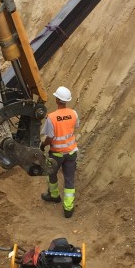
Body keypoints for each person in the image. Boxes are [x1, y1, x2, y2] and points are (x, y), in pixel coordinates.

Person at [40, 85, 79, 218]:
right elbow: (74, 127)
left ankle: (54, 195)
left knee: (51, 173)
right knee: (69, 180)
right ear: (67, 100)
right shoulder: (74, 114)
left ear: (57, 100)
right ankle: (68, 209)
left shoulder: (51, 117)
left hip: (56, 154)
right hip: (71, 152)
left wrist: (42, 145)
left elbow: (50, 138)